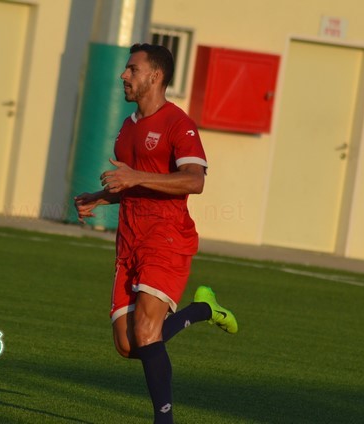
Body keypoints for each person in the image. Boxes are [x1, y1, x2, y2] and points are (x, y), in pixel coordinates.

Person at [74, 43, 238, 423]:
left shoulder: (179, 124)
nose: (123, 76)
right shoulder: (127, 129)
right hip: (129, 241)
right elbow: (137, 186)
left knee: (148, 331)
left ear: (155, 76)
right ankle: (202, 310)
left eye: (132, 69)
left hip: (166, 237)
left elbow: (194, 181)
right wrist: (100, 198)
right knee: (129, 345)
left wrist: (134, 176)